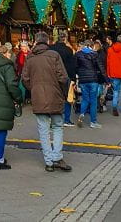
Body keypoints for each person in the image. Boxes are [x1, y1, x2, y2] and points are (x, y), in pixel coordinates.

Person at [21, 31, 72, 172]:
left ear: (36, 42)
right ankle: (57, 157)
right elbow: (63, 77)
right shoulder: (54, 56)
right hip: (55, 96)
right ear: (48, 41)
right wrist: (62, 92)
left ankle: (49, 161)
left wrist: (34, 90)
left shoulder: (30, 58)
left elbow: (25, 79)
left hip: (38, 98)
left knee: (43, 130)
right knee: (57, 127)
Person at [49, 33, 77, 127]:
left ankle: (53, 119)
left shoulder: (51, 49)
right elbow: (71, 66)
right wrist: (73, 79)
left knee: (53, 98)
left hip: (53, 76)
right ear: (65, 39)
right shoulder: (68, 50)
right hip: (66, 76)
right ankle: (66, 119)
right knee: (67, 98)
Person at [74, 41, 103, 129]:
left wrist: (77, 76)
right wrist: (106, 80)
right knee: (93, 101)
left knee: (85, 99)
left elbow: (75, 67)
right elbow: (100, 67)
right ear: (91, 46)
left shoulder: (78, 54)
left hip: (83, 80)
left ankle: (82, 114)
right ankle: (93, 122)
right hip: (93, 79)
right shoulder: (95, 54)